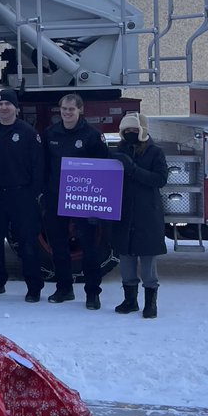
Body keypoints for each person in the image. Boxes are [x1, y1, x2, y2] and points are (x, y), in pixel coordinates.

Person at [0, 89, 46, 301]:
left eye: (8, 104)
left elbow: (39, 166)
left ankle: (34, 286)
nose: (4, 108)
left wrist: (34, 194)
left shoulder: (27, 132)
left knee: (27, 243)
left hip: (22, 195)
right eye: (0, 104)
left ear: (16, 108)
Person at [42, 92, 110, 308]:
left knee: (90, 248)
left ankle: (92, 293)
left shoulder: (92, 135)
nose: (67, 113)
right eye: (64, 109)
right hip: (56, 196)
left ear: (80, 110)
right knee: (58, 246)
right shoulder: (50, 133)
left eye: (71, 109)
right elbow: (43, 165)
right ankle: (64, 288)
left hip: (84, 199)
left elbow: (103, 167)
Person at [110, 112, 169, 319]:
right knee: (126, 261)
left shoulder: (155, 152)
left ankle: (150, 302)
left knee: (147, 264)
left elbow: (160, 179)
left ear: (142, 130)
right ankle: (130, 300)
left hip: (147, 214)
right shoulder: (118, 151)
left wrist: (133, 169)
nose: (131, 133)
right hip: (125, 214)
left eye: (134, 130)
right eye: (126, 131)